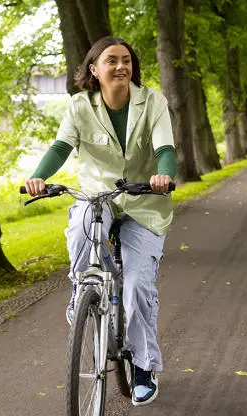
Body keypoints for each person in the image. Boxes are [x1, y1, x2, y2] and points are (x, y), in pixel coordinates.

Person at [24, 36, 176, 407]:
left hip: (144, 200)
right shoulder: (80, 106)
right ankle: (82, 289)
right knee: (81, 226)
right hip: (99, 195)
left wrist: (164, 176)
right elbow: (62, 147)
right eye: (112, 61)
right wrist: (39, 177)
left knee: (138, 284)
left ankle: (143, 367)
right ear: (95, 70)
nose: (121, 66)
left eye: (126, 60)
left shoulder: (152, 101)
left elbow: (165, 148)